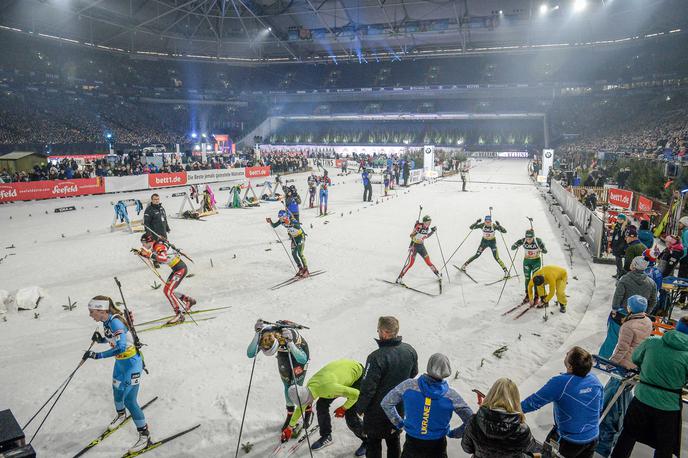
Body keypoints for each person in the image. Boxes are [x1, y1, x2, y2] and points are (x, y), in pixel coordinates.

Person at [610, 316, 688, 458]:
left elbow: (636, 359)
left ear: (676, 327)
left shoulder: (652, 342)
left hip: (642, 398)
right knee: (664, 447)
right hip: (668, 407)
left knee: (627, 436)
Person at [83, 296, 151, 454]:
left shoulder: (115, 322)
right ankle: (121, 416)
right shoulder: (106, 321)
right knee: (116, 391)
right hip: (120, 364)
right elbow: (115, 339)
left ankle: (144, 436)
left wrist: (97, 355)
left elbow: (121, 347)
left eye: (91, 311)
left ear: (101, 310)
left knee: (129, 400)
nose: (90, 315)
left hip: (132, 364)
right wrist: (101, 340)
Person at [381, 353, 473, 458]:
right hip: (438, 446)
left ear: (429, 366)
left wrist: (399, 423)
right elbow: (471, 419)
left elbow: (386, 403)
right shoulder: (451, 396)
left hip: (412, 443)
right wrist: (455, 433)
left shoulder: (408, 386)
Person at [596, 295, 653, 457]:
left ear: (631, 308)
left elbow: (622, 349)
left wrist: (610, 364)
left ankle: (604, 440)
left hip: (623, 369)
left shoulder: (628, 325)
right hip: (636, 367)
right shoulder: (647, 321)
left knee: (610, 403)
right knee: (624, 400)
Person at [521, 347, 603, 458]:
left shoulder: (560, 383)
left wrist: (506, 409)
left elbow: (533, 402)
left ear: (570, 366)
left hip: (568, 440)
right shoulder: (594, 380)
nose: (566, 353)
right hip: (592, 437)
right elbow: (600, 407)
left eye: (568, 354)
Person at [357, 317, 418, 458]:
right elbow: (413, 373)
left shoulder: (376, 357)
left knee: (373, 442)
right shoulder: (410, 350)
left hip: (376, 411)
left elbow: (368, 388)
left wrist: (360, 408)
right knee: (394, 440)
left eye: (378, 329)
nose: (377, 332)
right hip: (399, 406)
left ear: (384, 333)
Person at [286, 359, 367, 455]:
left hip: (358, 375)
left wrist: (344, 408)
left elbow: (356, 394)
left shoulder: (329, 389)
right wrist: (290, 427)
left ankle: (368, 441)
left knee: (350, 414)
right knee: (321, 405)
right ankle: (326, 436)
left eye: (306, 403)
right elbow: (301, 407)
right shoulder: (309, 386)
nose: (306, 405)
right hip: (339, 375)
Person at [247, 319, 311, 433]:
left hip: (298, 353)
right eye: (264, 341)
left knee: (296, 388)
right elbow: (250, 354)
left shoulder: (290, 334)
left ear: (276, 343)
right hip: (283, 354)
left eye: (267, 340)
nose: (266, 339)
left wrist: (290, 343)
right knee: (287, 387)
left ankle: (308, 410)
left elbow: (302, 359)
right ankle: (290, 414)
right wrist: (256, 333)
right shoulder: (264, 334)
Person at [461, 378, 538, 458]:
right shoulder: (522, 430)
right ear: (515, 399)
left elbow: (467, 448)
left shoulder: (474, 421)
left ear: (491, 394)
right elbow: (531, 448)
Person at [599, 257, 656, 358]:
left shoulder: (625, 279)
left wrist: (614, 309)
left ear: (633, 266)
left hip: (622, 315)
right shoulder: (651, 283)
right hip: (639, 317)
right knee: (632, 343)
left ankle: (602, 358)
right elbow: (653, 300)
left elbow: (618, 296)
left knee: (612, 339)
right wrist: (646, 311)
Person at [134, 233, 195, 324]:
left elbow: (163, 258)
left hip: (180, 269)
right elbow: (157, 257)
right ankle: (188, 300)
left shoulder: (158, 246)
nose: (143, 245)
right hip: (176, 269)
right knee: (168, 290)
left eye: (143, 243)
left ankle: (178, 315)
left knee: (168, 291)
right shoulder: (156, 246)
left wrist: (149, 254)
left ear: (149, 241)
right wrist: (142, 254)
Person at [396, 215, 441, 284]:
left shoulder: (427, 228)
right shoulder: (419, 226)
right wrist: (416, 230)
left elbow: (425, 236)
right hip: (414, 246)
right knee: (410, 264)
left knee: (428, 262)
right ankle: (399, 278)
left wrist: (432, 231)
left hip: (421, 247)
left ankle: (437, 274)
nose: (429, 224)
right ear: (424, 222)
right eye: (427, 222)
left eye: (430, 222)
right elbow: (411, 236)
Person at [267, 209, 309, 277]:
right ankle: (300, 268)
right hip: (294, 238)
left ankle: (306, 269)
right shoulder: (281, 221)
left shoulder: (291, 219)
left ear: (285, 216)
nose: (280, 219)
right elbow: (274, 225)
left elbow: (298, 226)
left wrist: (290, 223)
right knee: (293, 254)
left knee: (300, 253)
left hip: (300, 236)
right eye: (279, 217)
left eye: (281, 217)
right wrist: (270, 221)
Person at [511, 229, 547, 304]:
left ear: (533, 237)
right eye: (527, 238)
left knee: (535, 279)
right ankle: (527, 295)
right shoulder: (523, 240)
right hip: (527, 262)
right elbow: (513, 247)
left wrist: (542, 249)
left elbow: (545, 251)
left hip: (536, 262)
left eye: (530, 239)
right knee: (527, 278)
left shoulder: (538, 241)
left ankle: (537, 296)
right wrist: (515, 245)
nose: (528, 240)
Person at [610, 214, 628, 279]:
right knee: (617, 261)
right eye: (618, 219)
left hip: (621, 246)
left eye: (620, 219)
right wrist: (612, 244)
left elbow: (625, 239)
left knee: (618, 261)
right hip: (616, 244)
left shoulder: (625, 227)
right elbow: (614, 235)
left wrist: (623, 247)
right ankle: (618, 273)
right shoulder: (617, 226)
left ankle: (620, 274)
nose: (619, 220)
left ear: (624, 220)